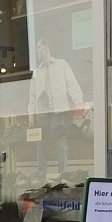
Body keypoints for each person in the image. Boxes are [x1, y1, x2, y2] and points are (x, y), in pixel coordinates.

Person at [28, 38, 84, 177]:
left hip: (58, 111)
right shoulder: (37, 72)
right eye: (36, 47)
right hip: (42, 114)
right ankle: (41, 175)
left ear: (46, 46)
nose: (37, 50)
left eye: (39, 46)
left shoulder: (61, 65)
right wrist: (31, 115)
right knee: (41, 145)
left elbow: (71, 84)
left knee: (61, 142)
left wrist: (79, 102)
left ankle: (63, 174)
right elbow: (33, 96)